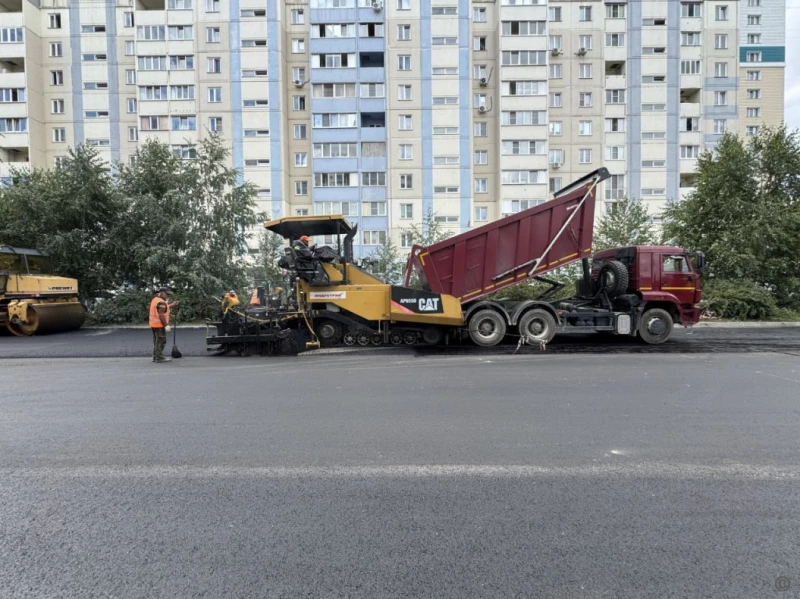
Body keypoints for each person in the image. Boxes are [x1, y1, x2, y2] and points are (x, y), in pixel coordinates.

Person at [149, 286, 180, 363]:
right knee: (161, 341)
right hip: (159, 325)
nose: (168, 296)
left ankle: (155, 357)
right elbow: (161, 315)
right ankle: (159, 358)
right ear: (162, 293)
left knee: (156, 341)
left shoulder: (155, 300)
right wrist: (166, 325)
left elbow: (162, 308)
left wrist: (171, 305)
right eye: (167, 294)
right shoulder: (161, 302)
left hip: (154, 324)